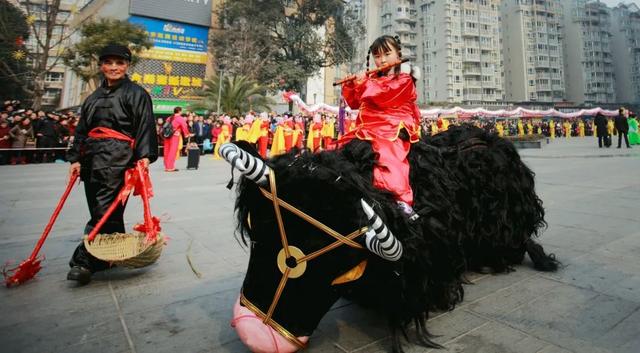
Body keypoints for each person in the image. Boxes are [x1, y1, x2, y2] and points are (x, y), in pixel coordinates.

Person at [66, 44, 158, 284]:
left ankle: (83, 261)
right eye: (109, 63)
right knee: (103, 211)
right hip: (91, 160)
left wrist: (144, 156)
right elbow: (82, 130)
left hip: (119, 161)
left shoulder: (137, 94)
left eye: (119, 63)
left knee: (103, 212)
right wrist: (75, 159)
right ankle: (106, 256)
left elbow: (145, 125)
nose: (114, 67)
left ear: (127, 65)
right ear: (101, 66)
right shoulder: (93, 97)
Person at [340, 35, 421, 218]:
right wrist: (351, 86)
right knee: (338, 148)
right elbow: (354, 103)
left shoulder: (405, 79)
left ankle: (401, 200)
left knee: (387, 153)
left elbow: (383, 97)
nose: (381, 60)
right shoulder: (373, 78)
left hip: (392, 125)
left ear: (398, 53)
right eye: (377, 56)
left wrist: (363, 84)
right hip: (367, 127)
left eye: (386, 54)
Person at [163, 107, 190, 171]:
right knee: (172, 151)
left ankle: (167, 166)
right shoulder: (180, 118)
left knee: (166, 150)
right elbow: (184, 126)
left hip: (167, 135)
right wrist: (187, 134)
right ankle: (170, 167)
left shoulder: (169, 118)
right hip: (174, 136)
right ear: (180, 111)